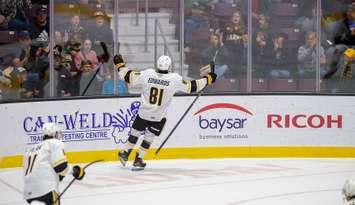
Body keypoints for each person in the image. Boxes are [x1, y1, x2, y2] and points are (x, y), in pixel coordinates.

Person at [114, 54, 217, 170]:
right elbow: (192, 86)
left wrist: (120, 64)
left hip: (144, 113)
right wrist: (208, 79)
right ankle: (138, 160)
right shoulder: (174, 79)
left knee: (135, 132)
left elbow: (128, 77)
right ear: (169, 66)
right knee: (149, 137)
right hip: (158, 116)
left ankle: (125, 153)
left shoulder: (147, 74)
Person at [23, 122, 85, 204]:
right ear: (54, 133)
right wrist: (75, 171)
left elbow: (39, 170)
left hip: (29, 193)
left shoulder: (29, 150)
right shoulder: (55, 143)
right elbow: (60, 167)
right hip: (46, 190)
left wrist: (61, 175)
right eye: (57, 133)